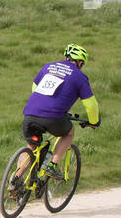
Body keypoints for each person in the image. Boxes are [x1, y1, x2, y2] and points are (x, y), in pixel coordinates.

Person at [16, 43, 100, 185]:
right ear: (80, 62)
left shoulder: (48, 66)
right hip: (53, 118)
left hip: (30, 113)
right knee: (69, 133)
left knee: (31, 146)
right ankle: (52, 165)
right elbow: (91, 104)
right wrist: (93, 121)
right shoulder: (79, 76)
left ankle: (15, 179)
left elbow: (34, 87)